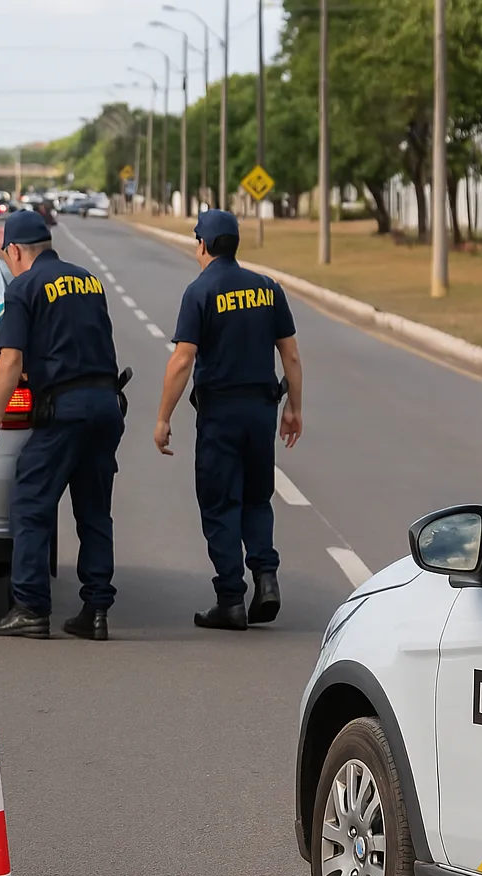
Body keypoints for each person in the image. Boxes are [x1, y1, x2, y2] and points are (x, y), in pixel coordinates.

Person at [0, 210, 123, 641]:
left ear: (15, 250)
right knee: (94, 512)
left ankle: (31, 608)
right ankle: (95, 611)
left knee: (31, 505)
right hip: (106, 405)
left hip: (65, 410)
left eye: (8, 255)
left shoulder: (23, 288)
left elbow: (11, 360)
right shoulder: (89, 281)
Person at [154, 210, 303, 631]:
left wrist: (163, 418)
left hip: (220, 414)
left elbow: (183, 360)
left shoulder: (199, 291)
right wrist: (294, 407)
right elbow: (289, 355)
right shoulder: (267, 289)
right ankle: (266, 577)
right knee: (257, 498)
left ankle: (231, 600)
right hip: (261, 411)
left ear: (202, 244)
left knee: (220, 504)